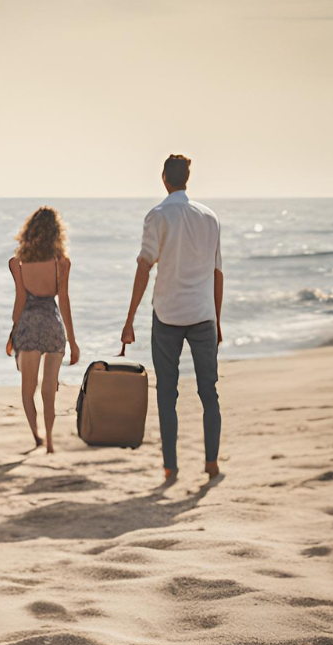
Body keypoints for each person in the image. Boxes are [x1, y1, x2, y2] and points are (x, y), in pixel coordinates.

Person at [120, 154, 223, 481]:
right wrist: (217, 320)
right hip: (203, 315)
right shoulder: (210, 217)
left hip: (166, 316)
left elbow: (144, 266)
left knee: (167, 392)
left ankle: (171, 467)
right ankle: (211, 463)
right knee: (209, 392)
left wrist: (129, 319)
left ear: (164, 178)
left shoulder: (158, 216)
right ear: (187, 178)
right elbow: (218, 273)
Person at [6, 207, 79, 453]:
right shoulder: (62, 264)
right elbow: (65, 301)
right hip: (52, 325)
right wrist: (72, 341)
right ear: (57, 233)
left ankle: (36, 435)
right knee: (50, 389)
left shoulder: (18, 263)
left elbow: (20, 302)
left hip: (28, 327)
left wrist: (12, 334)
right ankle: (49, 441)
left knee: (28, 390)